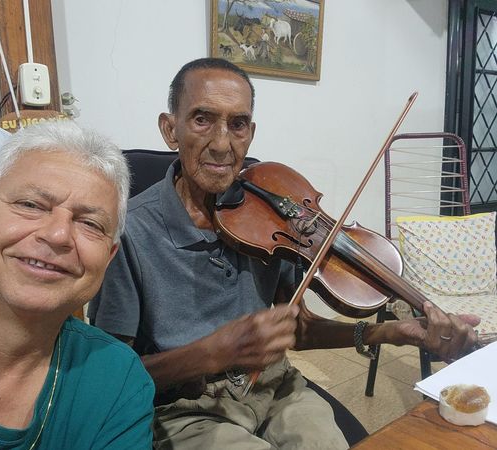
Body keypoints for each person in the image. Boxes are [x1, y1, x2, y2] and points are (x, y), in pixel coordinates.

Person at [89, 58, 480, 449]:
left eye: (238, 124)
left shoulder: (270, 214)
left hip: (277, 388)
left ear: (251, 132)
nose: (223, 144)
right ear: (170, 128)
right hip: (186, 409)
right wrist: (207, 355)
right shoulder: (131, 232)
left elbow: (298, 328)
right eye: (202, 119)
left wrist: (391, 332)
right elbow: (110, 379)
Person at [0, 121, 155, 449]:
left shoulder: (116, 379)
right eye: (30, 205)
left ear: (109, 256)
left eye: (89, 223)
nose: (58, 235)